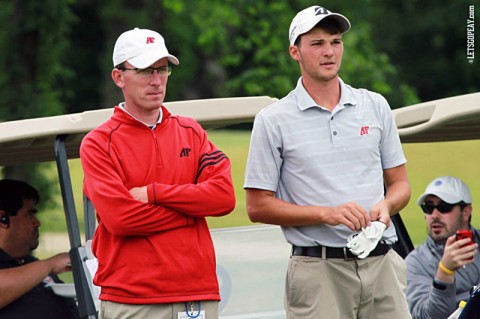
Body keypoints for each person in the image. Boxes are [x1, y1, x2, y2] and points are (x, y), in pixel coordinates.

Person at [244, 5, 412, 319]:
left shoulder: (375, 105)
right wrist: (327, 214)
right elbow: (257, 206)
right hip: (317, 271)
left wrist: (387, 206)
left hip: (383, 265)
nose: (329, 51)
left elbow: (400, 184)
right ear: (295, 51)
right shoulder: (273, 120)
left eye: (335, 41)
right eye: (317, 43)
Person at [79, 27, 235, 319]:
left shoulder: (191, 131)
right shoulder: (98, 143)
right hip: (132, 297)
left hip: (197, 294)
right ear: (118, 77)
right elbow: (122, 219)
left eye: (162, 70)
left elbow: (224, 198)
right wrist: (193, 211)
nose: (156, 80)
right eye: (144, 70)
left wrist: (155, 194)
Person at [0, 179, 79, 319]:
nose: (37, 222)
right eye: (30, 214)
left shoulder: (32, 263)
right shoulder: (43, 267)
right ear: (3, 219)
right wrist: (50, 264)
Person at [406, 176, 480, 319]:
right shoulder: (416, 262)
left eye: (443, 207)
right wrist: (445, 272)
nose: (434, 215)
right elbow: (427, 317)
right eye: (428, 207)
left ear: (466, 212)